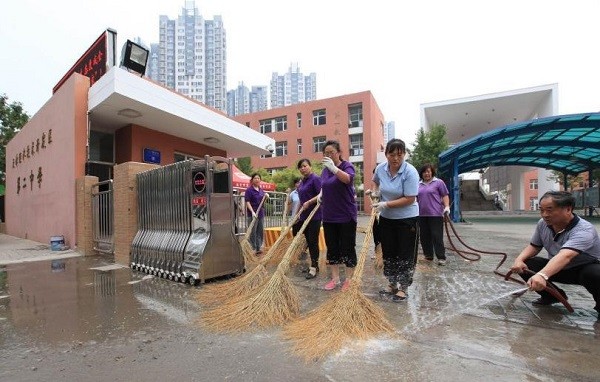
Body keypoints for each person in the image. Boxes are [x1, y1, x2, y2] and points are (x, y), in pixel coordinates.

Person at [509, 191, 600, 318]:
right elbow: (534, 246)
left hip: (583, 270)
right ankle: (552, 296)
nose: (545, 215)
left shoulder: (584, 230)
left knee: (595, 273)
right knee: (528, 264)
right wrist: (519, 260)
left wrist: (542, 275)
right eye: (542, 210)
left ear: (568, 209)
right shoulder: (543, 224)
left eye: (550, 210)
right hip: (558, 268)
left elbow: (566, 256)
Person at [370, 139, 420, 302]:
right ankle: (392, 284)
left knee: (405, 253)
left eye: (400, 155)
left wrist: (386, 203)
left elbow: (410, 199)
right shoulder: (380, 169)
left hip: (407, 219)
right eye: (392, 154)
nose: (396, 158)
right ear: (386, 155)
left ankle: (404, 288)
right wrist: (375, 193)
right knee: (389, 252)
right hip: (386, 219)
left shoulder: (410, 172)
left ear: (404, 154)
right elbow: (375, 182)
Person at [320, 140, 357, 290]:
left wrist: (334, 169)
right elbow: (325, 185)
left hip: (345, 215)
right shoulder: (324, 171)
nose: (328, 155)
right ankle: (335, 279)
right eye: (326, 153)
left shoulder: (346, 166)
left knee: (348, 247)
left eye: (331, 152)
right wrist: (320, 195)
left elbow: (348, 179)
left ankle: (349, 279)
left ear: (339, 152)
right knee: (332, 247)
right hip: (329, 215)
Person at [294, 159, 322, 279]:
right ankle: (313, 264)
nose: (303, 168)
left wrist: (310, 202)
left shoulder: (315, 178)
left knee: (313, 241)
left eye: (305, 166)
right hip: (304, 216)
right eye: (300, 167)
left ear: (310, 166)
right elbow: (301, 199)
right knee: (304, 238)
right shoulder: (302, 182)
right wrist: (297, 214)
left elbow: (322, 194)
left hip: (315, 215)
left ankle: (314, 267)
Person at [417, 163, 450, 265]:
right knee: (424, 236)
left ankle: (441, 257)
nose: (426, 174)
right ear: (421, 174)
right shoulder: (418, 184)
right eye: (424, 172)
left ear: (432, 172)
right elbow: (415, 198)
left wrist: (447, 206)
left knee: (436, 236)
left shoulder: (438, 182)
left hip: (435, 214)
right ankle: (428, 256)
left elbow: (445, 195)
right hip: (421, 215)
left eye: (428, 171)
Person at [244, 173, 268, 255]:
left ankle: (258, 247)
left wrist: (265, 197)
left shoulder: (261, 190)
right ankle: (252, 248)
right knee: (252, 232)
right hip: (252, 214)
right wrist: (252, 212)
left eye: (258, 178)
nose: (257, 179)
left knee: (260, 231)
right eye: (255, 178)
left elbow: (263, 202)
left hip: (260, 213)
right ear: (252, 180)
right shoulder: (249, 190)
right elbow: (247, 202)